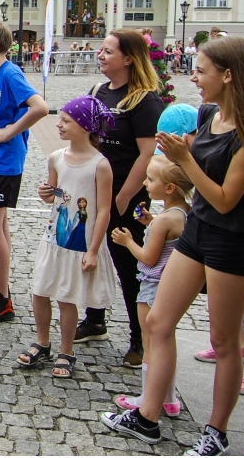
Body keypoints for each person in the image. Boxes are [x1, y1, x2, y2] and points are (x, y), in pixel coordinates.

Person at [104, 37, 244, 455]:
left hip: (232, 241)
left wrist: (186, 160)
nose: (195, 75)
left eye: (202, 70)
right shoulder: (208, 115)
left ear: (228, 76)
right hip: (197, 232)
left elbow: (226, 200)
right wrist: (179, 150)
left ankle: (216, 432)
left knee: (225, 342)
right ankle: (148, 415)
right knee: (158, 322)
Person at [78, 29, 164, 369]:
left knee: (129, 266)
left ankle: (140, 339)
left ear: (128, 58)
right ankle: (95, 318)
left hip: (126, 196)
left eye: (108, 51)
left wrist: (125, 196)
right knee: (91, 253)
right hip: (96, 192)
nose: (101, 55)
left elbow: (147, 154)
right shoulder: (99, 91)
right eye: (100, 50)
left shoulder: (145, 100)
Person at [17, 96, 116, 377]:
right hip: (54, 237)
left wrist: (94, 249)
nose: (58, 124)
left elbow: (105, 210)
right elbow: (54, 195)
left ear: (85, 126)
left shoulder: (100, 165)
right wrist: (46, 193)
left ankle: (67, 349)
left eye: (66, 121)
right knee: (40, 290)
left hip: (79, 242)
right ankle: (42, 341)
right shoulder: (56, 158)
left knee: (66, 296)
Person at [0, 21, 49, 324]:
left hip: (5, 162)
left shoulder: (11, 73)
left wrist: (9, 133)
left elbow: (40, 107)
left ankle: (3, 299)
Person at [111, 155, 190, 417]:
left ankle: (147, 397)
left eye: (151, 179)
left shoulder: (163, 221)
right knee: (167, 341)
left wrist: (127, 241)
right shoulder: (181, 213)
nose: (145, 183)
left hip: (152, 285)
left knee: (150, 341)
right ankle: (168, 398)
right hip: (171, 284)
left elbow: (148, 257)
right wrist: (150, 221)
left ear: (169, 188)